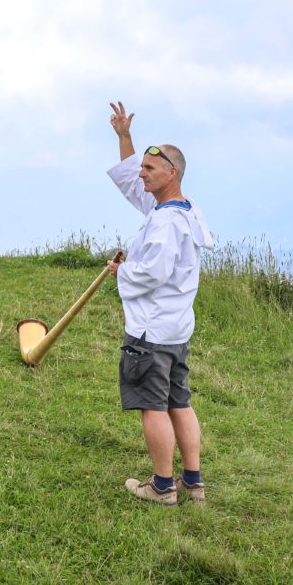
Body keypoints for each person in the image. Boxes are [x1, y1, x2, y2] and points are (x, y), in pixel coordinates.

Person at [107, 101, 213, 505]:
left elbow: (153, 272)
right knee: (179, 402)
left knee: (153, 407)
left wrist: (122, 272)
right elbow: (134, 186)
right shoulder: (182, 209)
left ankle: (163, 487)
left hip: (151, 331)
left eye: (150, 169)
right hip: (176, 327)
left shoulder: (167, 223)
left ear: (172, 173)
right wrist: (125, 138)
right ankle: (193, 481)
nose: (142, 175)